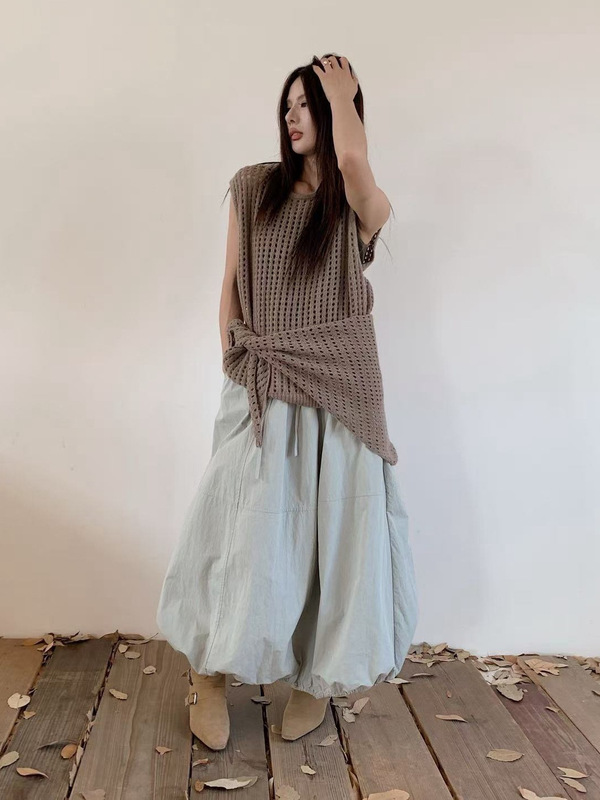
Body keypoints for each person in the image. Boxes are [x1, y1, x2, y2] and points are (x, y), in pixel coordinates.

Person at [156, 53, 418, 751]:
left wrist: (343, 95)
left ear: (339, 112)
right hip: (263, 382)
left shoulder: (361, 209)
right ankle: (209, 675)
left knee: (332, 542)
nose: (293, 116)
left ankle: (315, 680)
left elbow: (354, 165)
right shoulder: (253, 187)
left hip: (343, 390)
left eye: (309, 104)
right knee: (236, 534)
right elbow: (230, 285)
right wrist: (233, 362)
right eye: (289, 104)